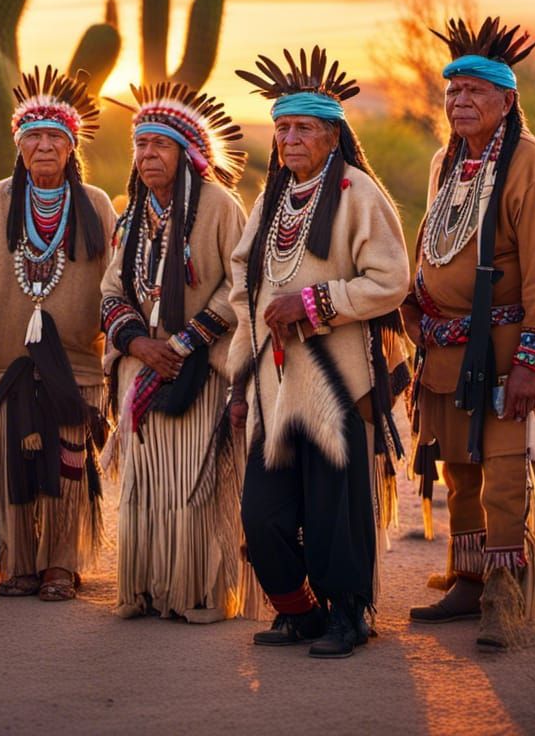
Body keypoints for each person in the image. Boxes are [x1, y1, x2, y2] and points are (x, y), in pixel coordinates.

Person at [228, 47, 411, 659]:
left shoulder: (358, 192)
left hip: (337, 384)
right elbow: (243, 288)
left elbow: (391, 280)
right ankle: (300, 612)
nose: (290, 139)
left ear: (333, 134)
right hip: (273, 388)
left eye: (303, 128)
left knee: (335, 512)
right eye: (282, 128)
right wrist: (238, 382)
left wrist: (313, 303)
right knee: (263, 513)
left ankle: (348, 617)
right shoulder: (272, 197)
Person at [403, 18, 535, 651]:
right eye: (453, 91)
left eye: (476, 90)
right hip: (448, 349)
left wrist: (532, 360)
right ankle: (470, 581)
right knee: (458, 471)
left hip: (505, 351)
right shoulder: (446, 163)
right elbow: (435, 244)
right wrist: (416, 302)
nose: (461, 101)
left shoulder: (531, 165)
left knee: (503, 473)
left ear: (507, 99)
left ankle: (505, 596)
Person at [100, 82, 256, 622]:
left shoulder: (219, 206)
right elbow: (111, 290)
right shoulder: (131, 215)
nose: (147, 155)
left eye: (160, 145)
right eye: (140, 145)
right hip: (140, 369)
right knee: (144, 484)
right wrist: (138, 343)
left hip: (199, 370)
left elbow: (239, 285)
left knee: (191, 485)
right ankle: (145, 590)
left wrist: (185, 342)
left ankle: (197, 594)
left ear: (187, 154)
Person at [0, 67, 116, 602]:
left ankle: (61, 564)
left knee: (68, 466)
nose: (45, 145)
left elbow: (116, 284)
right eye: (34, 136)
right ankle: (19, 563)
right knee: (12, 464)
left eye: (56, 136)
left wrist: (119, 350)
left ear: (72, 146)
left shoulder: (96, 205)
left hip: (76, 363)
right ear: (19, 145)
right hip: (7, 362)